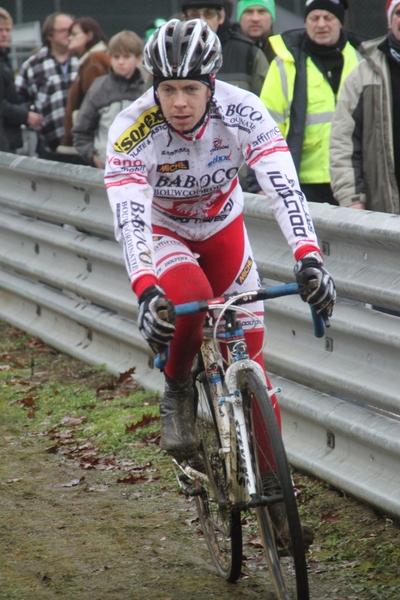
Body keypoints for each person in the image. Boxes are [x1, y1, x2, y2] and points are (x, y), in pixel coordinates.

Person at [104, 19, 335, 477]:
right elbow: (129, 219)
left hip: (222, 229)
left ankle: (274, 495)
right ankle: (177, 390)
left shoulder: (243, 111)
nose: (179, 102)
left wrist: (309, 256)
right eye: (167, 89)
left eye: (190, 88)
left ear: (212, 85)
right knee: (187, 302)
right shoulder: (132, 129)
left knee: (253, 365)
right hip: (163, 230)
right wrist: (147, 290)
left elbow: (284, 188)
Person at [258, 0, 364, 204]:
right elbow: (267, 126)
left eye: (328, 18)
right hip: (302, 180)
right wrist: (261, 181)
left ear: (340, 22)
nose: (321, 24)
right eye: (314, 18)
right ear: (305, 22)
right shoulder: (284, 63)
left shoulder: (362, 60)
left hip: (354, 180)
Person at [329, 0, 400, 213]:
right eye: (398, 13)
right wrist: (352, 198)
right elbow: (343, 142)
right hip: (383, 210)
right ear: (389, 21)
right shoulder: (363, 74)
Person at [72, 30, 145, 168]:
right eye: (116, 57)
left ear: (138, 59)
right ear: (109, 57)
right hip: (105, 168)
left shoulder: (147, 91)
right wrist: (94, 158)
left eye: (126, 57)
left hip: (140, 169)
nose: (120, 62)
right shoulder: (99, 88)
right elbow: (81, 132)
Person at [15, 12, 78, 160]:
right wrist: (30, 117)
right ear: (49, 35)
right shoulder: (33, 66)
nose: (69, 35)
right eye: (64, 31)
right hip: (49, 146)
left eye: (72, 31)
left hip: (83, 146)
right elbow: (18, 98)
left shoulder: (83, 60)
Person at [181, 0, 269, 95]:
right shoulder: (173, 54)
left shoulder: (248, 53)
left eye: (209, 14)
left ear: (221, 17)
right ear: (184, 19)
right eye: (194, 15)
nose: (202, 21)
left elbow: (266, 103)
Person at [56, 17, 109, 158]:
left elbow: (94, 105)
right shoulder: (89, 60)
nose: (69, 38)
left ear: (89, 35)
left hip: (90, 146)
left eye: (74, 34)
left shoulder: (94, 61)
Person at [0, 8, 43, 152]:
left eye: (8, 30)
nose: (5, 35)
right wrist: (25, 115)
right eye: (0, 30)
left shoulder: (5, 60)